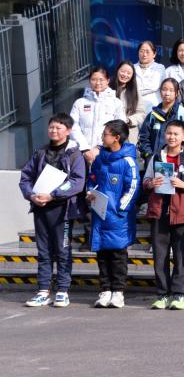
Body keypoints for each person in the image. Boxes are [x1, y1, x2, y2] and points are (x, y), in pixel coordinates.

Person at [19, 113, 86, 308]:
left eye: (58, 127)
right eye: (51, 127)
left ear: (68, 130)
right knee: (43, 251)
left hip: (62, 210)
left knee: (62, 250)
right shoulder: (40, 152)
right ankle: (43, 291)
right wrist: (31, 195)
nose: (54, 131)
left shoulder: (75, 154)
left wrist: (53, 195)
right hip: (40, 208)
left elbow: (77, 181)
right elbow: (25, 177)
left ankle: (63, 290)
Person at [141, 119, 184, 311]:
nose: (171, 137)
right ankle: (162, 294)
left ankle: (178, 294)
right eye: (168, 133)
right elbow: (146, 180)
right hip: (159, 212)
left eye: (176, 134)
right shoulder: (156, 158)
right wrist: (151, 184)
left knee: (180, 255)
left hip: (181, 214)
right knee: (160, 256)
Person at [85, 120, 139, 309]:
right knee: (102, 253)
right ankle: (105, 290)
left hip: (117, 217)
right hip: (100, 213)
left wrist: (120, 208)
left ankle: (118, 292)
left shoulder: (128, 161)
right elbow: (92, 178)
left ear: (116, 138)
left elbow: (133, 187)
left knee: (117, 254)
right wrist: (90, 192)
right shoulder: (100, 158)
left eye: (105, 134)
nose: (102, 137)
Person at [69, 65, 126, 167]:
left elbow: (120, 127)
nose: (97, 83)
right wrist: (85, 149)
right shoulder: (79, 103)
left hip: (107, 153)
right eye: (94, 79)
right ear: (89, 81)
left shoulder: (116, 103)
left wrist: (100, 147)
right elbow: (73, 127)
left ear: (108, 81)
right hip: (82, 154)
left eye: (101, 79)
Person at [138, 78, 184, 165]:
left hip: (177, 163)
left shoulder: (183, 115)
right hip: (155, 162)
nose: (167, 93)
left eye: (171, 90)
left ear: (177, 93)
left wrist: (183, 160)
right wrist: (149, 156)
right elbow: (143, 138)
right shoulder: (153, 115)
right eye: (164, 89)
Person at [112, 61, 144, 144]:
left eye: (129, 73)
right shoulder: (108, 89)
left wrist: (129, 120)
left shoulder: (135, 92)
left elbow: (141, 113)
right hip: (110, 134)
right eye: (123, 71)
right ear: (117, 70)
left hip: (129, 135)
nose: (125, 75)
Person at [134, 40, 165, 111]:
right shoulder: (132, 67)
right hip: (135, 105)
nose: (144, 54)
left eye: (147, 52)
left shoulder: (160, 68)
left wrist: (136, 90)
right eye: (141, 51)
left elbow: (154, 86)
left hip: (153, 106)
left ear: (154, 54)